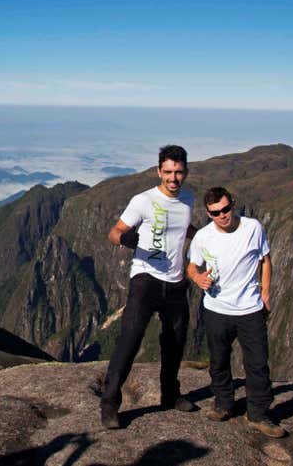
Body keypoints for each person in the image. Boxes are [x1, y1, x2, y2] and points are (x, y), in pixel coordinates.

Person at [99, 145, 197, 429]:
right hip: (145, 279)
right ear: (159, 171)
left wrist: (208, 236)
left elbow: (186, 229)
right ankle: (109, 404)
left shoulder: (189, 200)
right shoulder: (142, 201)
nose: (173, 178)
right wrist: (127, 240)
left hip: (176, 282)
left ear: (185, 173)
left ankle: (170, 394)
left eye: (178, 172)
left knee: (175, 341)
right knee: (129, 339)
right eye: (168, 172)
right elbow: (114, 232)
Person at [187, 187, 285, 438]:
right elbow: (191, 267)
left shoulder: (253, 228)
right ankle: (223, 405)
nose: (222, 215)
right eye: (215, 212)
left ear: (233, 204)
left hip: (250, 309)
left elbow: (265, 260)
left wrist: (265, 293)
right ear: (208, 213)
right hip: (216, 309)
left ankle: (259, 414)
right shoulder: (203, 237)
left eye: (225, 209)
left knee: (257, 363)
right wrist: (198, 278)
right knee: (219, 361)